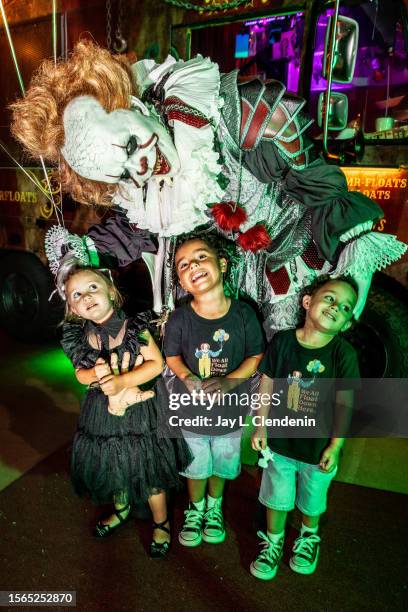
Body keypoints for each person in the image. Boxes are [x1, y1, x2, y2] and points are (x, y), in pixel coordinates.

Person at [10, 41, 406, 330]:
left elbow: (321, 191)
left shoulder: (253, 117)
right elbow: (139, 227)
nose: (142, 166)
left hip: (288, 258)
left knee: (292, 379)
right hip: (212, 279)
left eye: (131, 145)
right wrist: (84, 249)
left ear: (134, 106)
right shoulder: (146, 184)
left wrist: (349, 266)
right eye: (124, 173)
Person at [59, 262, 191, 558]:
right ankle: (122, 509)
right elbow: (80, 374)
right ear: (72, 308)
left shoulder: (133, 326)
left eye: (92, 287)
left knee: (149, 467)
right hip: (102, 413)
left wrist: (119, 382)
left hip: (141, 410)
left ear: (110, 290)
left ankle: (162, 521)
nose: (86, 296)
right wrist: (97, 376)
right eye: (76, 295)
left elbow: (156, 364)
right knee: (114, 462)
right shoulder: (78, 336)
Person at [250, 275, 360, 579]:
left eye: (346, 307)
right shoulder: (283, 342)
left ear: (347, 324)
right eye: (330, 298)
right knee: (277, 495)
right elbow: (267, 385)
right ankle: (273, 542)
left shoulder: (344, 355)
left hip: (318, 450)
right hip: (280, 445)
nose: (336, 307)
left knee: (312, 500)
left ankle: (309, 538)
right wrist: (260, 426)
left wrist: (336, 446)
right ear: (308, 301)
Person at [164, 233, 265, 547]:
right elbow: (172, 356)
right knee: (195, 465)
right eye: (183, 264)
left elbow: (255, 355)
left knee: (221, 462)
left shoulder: (244, 314)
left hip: (229, 416)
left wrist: (230, 381)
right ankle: (195, 509)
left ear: (222, 264)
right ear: (181, 280)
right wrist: (187, 377)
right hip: (191, 414)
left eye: (200, 257)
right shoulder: (180, 318)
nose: (192, 264)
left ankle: (214, 506)